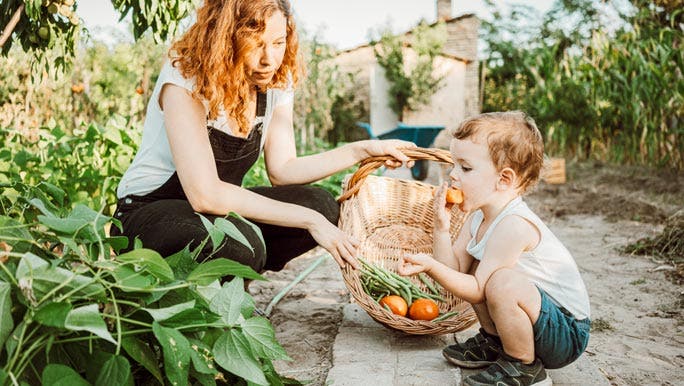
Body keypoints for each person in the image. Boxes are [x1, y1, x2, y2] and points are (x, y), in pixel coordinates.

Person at [111, 0, 416, 273]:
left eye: (278, 42)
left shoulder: (274, 84)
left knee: (321, 205)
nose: (269, 58)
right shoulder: (186, 79)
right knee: (246, 244)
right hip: (148, 213)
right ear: (225, 39)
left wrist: (361, 150)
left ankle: (230, 271)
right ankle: (225, 273)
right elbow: (204, 194)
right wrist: (309, 222)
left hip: (213, 212)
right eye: (255, 44)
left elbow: (283, 170)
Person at [398, 111, 591, 386]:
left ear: (504, 179)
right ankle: (495, 342)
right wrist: (441, 228)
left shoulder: (514, 225)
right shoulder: (478, 217)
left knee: (498, 281)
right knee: (479, 268)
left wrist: (430, 265)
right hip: (539, 322)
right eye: (454, 165)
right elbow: (455, 272)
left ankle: (524, 365)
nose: (453, 175)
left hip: (566, 333)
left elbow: (476, 289)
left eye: (465, 168)